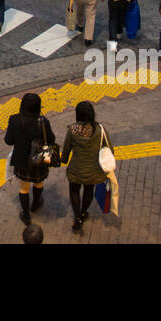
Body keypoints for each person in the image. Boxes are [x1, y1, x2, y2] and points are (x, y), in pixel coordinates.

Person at [5, 91, 57, 225]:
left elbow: (8, 140)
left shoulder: (14, 120)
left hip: (22, 161)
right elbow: (51, 139)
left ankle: (26, 215)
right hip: (39, 160)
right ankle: (36, 204)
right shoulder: (43, 122)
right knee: (39, 183)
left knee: (23, 188)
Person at [59, 100, 110, 234]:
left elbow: (65, 152)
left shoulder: (73, 130)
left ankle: (76, 217)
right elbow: (109, 149)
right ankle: (83, 212)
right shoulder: (100, 130)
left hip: (76, 169)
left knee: (74, 191)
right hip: (93, 170)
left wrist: (63, 160)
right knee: (89, 190)